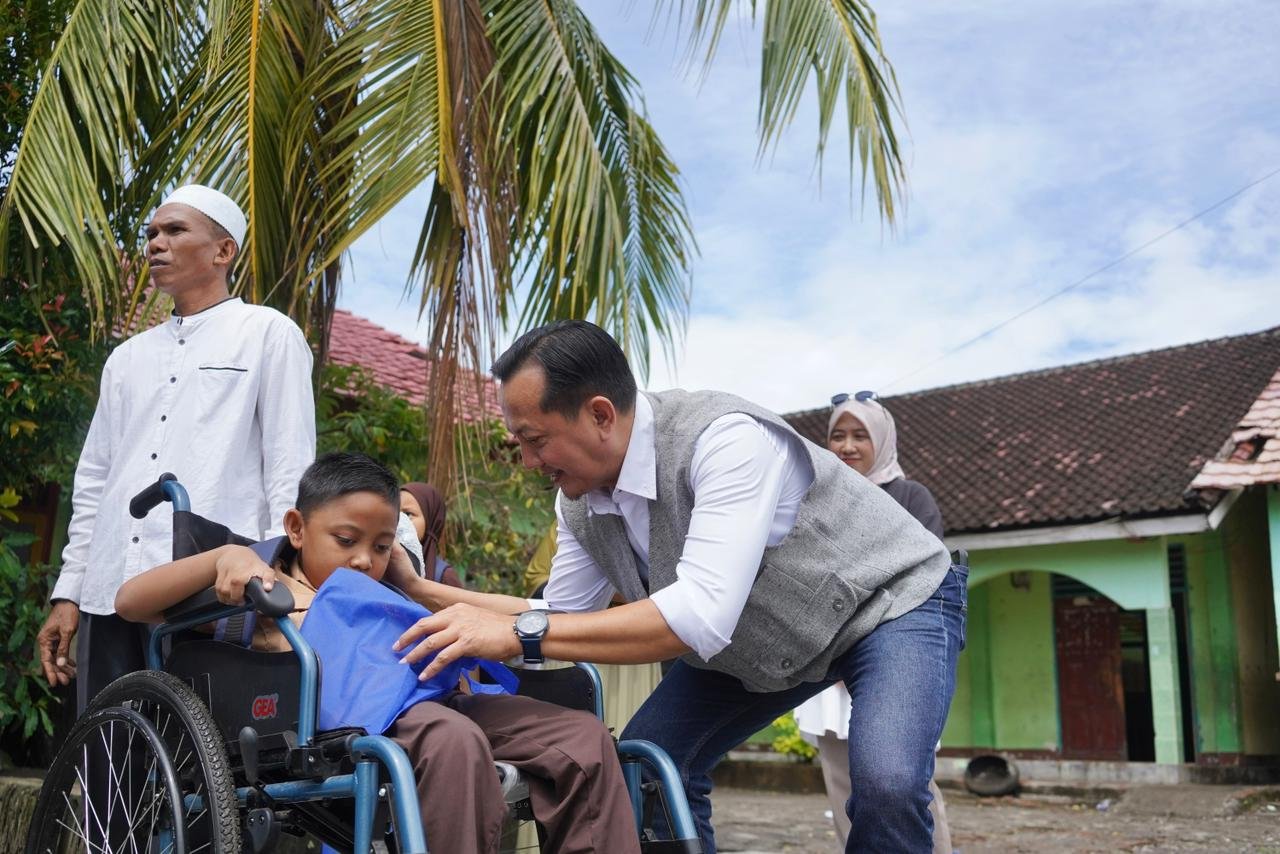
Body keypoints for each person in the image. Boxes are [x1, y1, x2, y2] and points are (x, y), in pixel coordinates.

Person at [387, 320, 968, 853]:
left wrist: (519, 633)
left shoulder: (725, 440)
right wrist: (424, 590)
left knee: (888, 782)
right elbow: (560, 613)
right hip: (764, 637)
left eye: (535, 439)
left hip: (890, 603)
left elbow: (695, 617)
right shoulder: (581, 504)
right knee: (649, 765)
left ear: (600, 415)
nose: (527, 461)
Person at [115, 452, 640, 854]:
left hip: (438, 700)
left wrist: (415, 587)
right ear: (296, 528)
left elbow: (537, 612)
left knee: (583, 738)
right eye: (346, 540)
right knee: (453, 741)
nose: (365, 560)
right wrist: (222, 557)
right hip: (344, 717)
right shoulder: (263, 582)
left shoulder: (389, 591)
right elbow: (130, 603)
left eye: (382, 545)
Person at [35, 184, 316, 712]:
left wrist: (282, 573)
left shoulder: (268, 334)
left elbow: (289, 465)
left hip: (211, 589)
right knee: (105, 746)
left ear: (223, 250)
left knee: (197, 749)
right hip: (109, 586)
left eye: (174, 230)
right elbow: (94, 480)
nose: (155, 244)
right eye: (151, 233)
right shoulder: (127, 358)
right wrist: (69, 592)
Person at [794, 392, 953, 853]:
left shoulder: (910, 497)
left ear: (881, 442)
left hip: (895, 662)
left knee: (903, 785)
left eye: (860, 436)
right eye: (838, 436)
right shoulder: (816, 499)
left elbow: (924, 581)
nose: (846, 446)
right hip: (827, 663)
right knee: (841, 782)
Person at [399, 481, 464, 587]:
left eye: (408, 514)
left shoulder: (445, 577)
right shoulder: (381, 566)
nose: (399, 520)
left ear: (430, 520)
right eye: (395, 513)